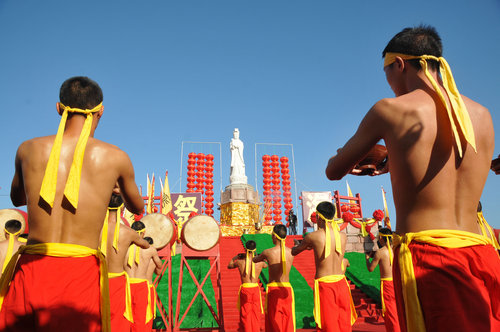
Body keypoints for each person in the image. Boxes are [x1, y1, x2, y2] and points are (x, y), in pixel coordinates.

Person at [325, 25, 500, 332]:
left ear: (400, 64)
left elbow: (334, 170)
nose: (390, 83)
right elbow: (444, 165)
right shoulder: (482, 115)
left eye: (387, 73)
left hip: (432, 257)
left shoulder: (390, 110)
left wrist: (356, 156)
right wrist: (393, 161)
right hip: (484, 253)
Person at [4, 76, 144, 332]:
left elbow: (17, 199)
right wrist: (115, 188)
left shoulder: (27, 149)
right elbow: (138, 208)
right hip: (79, 274)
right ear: (101, 111)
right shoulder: (115, 157)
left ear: (58, 108)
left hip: (32, 268)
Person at [292, 201, 356, 332]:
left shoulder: (313, 236)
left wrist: (300, 245)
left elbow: (295, 251)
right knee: (343, 323)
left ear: (319, 216)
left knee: (328, 325)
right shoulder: (343, 236)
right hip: (342, 282)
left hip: (324, 284)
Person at [102, 193, 150, 332]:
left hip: (100, 279)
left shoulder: (97, 229)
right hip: (117, 281)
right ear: (122, 207)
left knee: (101, 317)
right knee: (118, 320)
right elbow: (145, 245)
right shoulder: (128, 232)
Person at [253, 224, 295, 332]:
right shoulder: (291, 252)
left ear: (275, 236)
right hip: (287, 288)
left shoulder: (268, 252)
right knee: (287, 318)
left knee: (274, 319)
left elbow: (255, 260)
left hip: (274, 289)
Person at [124, 221, 162, 332]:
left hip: (126, 285)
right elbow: (159, 268)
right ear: (143, 233)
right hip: (141, 285)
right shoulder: (150, 250)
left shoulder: (123, 247)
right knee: (141, 318)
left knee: (126, 317)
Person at [365, 228, 400, 332]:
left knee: (390, 312)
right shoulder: (396, 249)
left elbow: (370, 269)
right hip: (397, 282)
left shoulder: (380, 252)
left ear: (381, 238)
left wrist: (367, 259)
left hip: (387, 284)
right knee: (398, 310)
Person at [227, 240, 267, 332]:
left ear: (245, 249)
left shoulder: (240, 262)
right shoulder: (260, 263)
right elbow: (266, 265)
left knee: (245, 314)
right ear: (255, 249)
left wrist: (236, 257)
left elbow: (229, 265)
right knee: (255, 314)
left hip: (245, 288)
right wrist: (258, 257)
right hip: (255, 288)